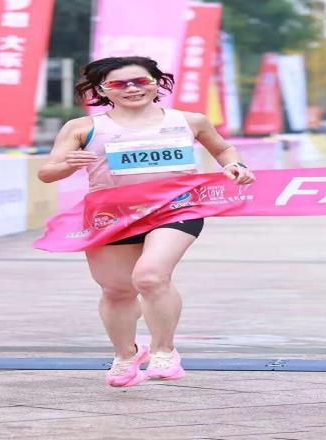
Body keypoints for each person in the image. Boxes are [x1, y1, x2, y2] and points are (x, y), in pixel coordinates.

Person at [38, 56, 255, 387]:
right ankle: (126, 355)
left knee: (150, 277)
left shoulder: (190, 121)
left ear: (157, 84)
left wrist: (235, 166)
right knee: (116, 290)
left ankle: (164, 350)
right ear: (102, 90)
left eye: (141, 81)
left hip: (177, 207)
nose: (132, 89)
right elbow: (47, 173)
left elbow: (224, 150)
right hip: (112, 215)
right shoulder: (82, 127)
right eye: (119, 84)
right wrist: (67, 164)